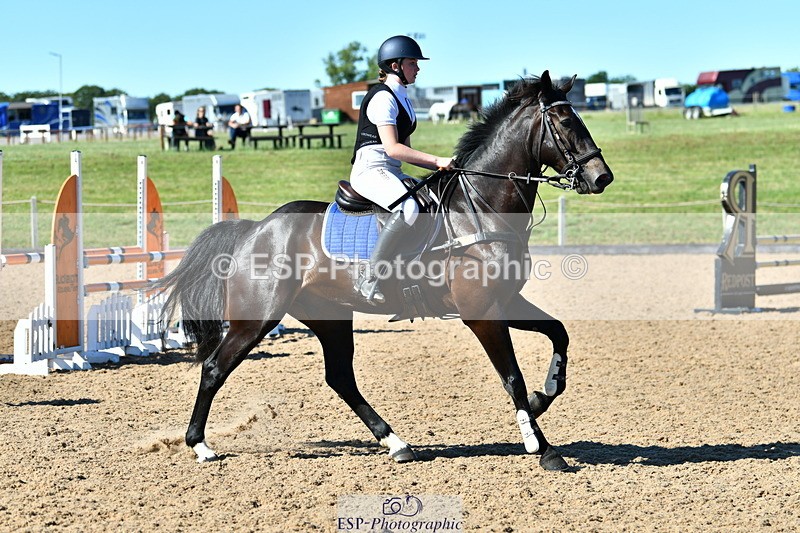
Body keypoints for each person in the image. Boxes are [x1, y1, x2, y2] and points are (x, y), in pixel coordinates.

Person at [350, 35, 454, 304]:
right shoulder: (382, 98)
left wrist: (442, 167)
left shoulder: (403, 99)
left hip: (390, 169)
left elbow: (404, 152)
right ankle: (370, 277)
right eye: (412, 63)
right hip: (370, 169)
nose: (417, 68)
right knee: (408, 208)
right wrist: (436, 160)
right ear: (395, 66)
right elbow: (393, 148)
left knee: (433, 199)